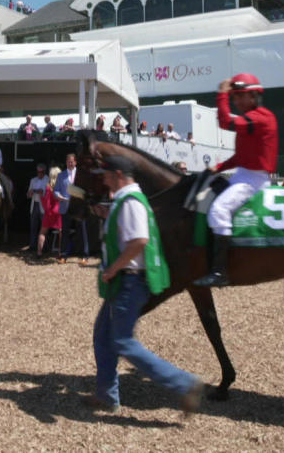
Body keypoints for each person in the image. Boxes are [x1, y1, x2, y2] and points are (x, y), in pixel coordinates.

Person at [86, 155, 202, 415]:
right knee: (103, 335)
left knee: (123, 342)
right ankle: (107, 395)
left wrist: (113, 268)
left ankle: (185, 385)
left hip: (128, 281)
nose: (102, 179)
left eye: (105, 174)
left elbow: (139, 240)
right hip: (124, 280)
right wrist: (106, 213)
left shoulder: (131, 203)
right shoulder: (124, 201)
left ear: (118, 174)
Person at [194, 73, 278, 288]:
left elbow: (224, 121)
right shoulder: (251, 120)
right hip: (243, 174)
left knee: (218, 210)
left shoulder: (262, 117)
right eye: (235, 97)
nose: (237, 101)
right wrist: (218, 168)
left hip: (254, 180)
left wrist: (221, 95)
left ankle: (221, 272)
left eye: (241, 96)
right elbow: (242, 157)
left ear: (255, 95)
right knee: (202, 200)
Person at [55, 153, 89, 263]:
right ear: (66, 162)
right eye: (68, 161)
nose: (70, 163)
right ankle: (64, 255)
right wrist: (59, 197)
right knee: (65, 231)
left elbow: (86, 190)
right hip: (65, 207)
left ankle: (84, 255)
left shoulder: (82, 174)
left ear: (75, 162)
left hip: (79, 208)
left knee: (82, 231)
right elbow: (56, 190)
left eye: (72, 161)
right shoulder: (61, 175)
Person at [36, 167, 63, 257]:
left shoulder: (49, 187)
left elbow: (47, 204)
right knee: (61, 232)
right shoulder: (62, 186)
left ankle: (39, 252)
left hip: (49, 213)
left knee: (42, 232)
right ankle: (60, 253)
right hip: (59, 212)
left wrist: (41, 197)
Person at [25, 163, 48, 253]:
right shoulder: (33, 180)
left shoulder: (48, 180)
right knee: (33, 226)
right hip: (35, 204)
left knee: (44, 227)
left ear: (44, 172)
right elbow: (28, 194)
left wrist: (41, 192)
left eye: (41, 172)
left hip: (43, 206)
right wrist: (30, 193)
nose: (39, 173)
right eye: (38, 172)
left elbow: (47, 194)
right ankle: (32, 245)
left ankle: (44, 246)